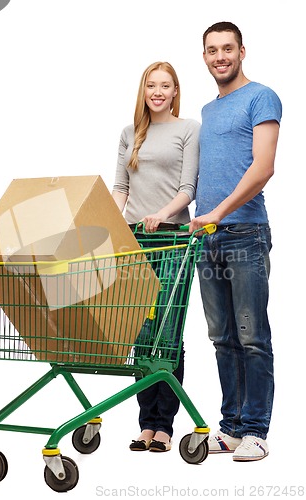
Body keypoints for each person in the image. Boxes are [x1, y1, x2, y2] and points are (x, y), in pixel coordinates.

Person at [189, 21, 282, 461]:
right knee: (222, 337)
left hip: (244, 232)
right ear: (204, 56)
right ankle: (230, 428)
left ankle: (256, 430)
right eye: (212, 50)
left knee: (252, 336)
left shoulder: (262, 97)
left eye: (228, 48)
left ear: (242, 51)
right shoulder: (208, 110)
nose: (220, 56)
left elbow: (264, 166)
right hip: (206, 237)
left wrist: (219, 213)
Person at [112, 61, 200, 452]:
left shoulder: (188, 129)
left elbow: (188, 187)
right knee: (139, 331)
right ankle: (145, 423)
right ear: (143, 91)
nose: (158, 92)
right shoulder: (130, 133)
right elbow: (120, 186)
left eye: (166, 85)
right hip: (135, 241)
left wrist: (162, 215)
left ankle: (164, 425)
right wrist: (111, 225)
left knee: (167, 331)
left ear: (175, 91)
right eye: (152, 85)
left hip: (173, 239)